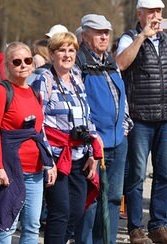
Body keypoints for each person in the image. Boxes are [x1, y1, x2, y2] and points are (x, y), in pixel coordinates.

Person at [0, 42, 56, 243]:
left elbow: (38, 134)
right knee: (7, 224)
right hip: (10, 170)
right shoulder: (2, 91)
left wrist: (49, 162)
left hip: (35, 170)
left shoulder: (36, 93)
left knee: (32, 226)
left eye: (28, 60)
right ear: (7, 65)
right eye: (17, 62)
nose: (23, 65)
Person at [116, 0, 167, 244]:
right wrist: (143, 36)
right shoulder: (128, 38)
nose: (157, 16)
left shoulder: (166, 41)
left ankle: (159, 226)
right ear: (139, 15)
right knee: (136, 175)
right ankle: (135, 228)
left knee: (165, 174)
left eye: (159, 11)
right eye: (151, 11)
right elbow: (120, 64)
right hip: (140, 118)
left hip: (166, 118)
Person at [31, 32, 103, 244]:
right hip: (56, 157)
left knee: (78, 209)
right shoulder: (44, 79)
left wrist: (93, 153)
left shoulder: (77, 78)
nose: (67, 54)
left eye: (71, 50)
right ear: (52, 54)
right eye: (62, 50)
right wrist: (47, 161)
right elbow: (38, 123)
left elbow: (87, 118)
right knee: (60, 212)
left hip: (79, 155)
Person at [74, 14, 133, 244]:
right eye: (99, 32)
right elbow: (80, 104)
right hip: (93, 145)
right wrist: (91, 140)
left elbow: (121, 96)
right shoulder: (79, 63)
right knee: (91, 199)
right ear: (85, 35)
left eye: (107, 32)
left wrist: (125, 125)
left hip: (118, 141)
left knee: (114, 198)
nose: (104, 36)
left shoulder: (109, 60)